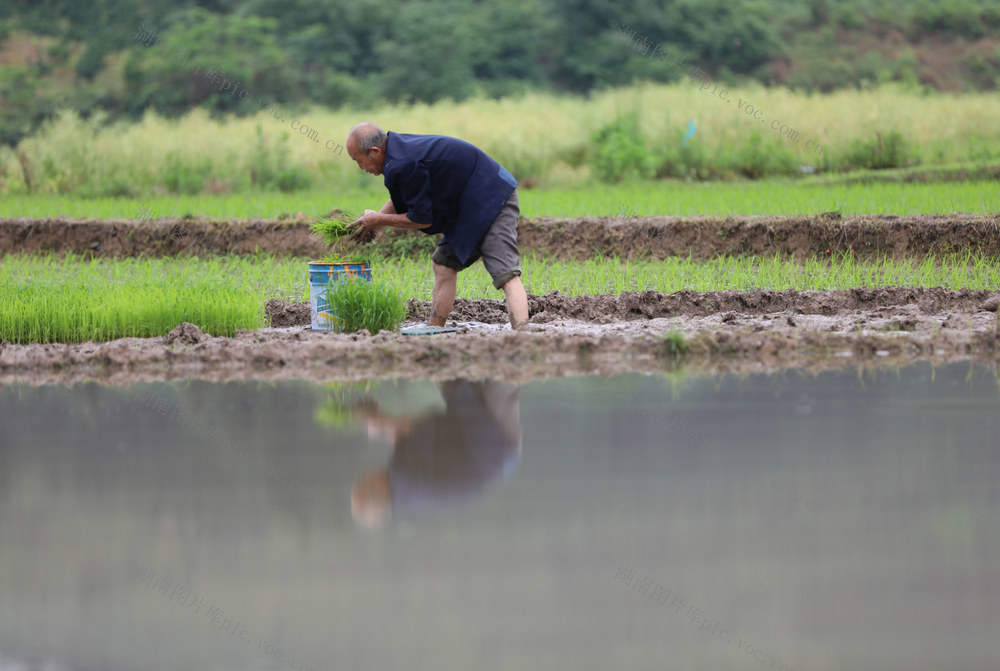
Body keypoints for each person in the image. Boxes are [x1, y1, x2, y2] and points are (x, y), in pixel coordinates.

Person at [343, 122, 530, 330]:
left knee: (506, 274)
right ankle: (434, 330)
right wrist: (375, 221)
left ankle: (522, 339)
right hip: (468, 205)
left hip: (493, 195)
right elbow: (404, 199)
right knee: (443, 265)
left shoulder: (402, 162)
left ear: (375, 151)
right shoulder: (396, 153)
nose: (361, 168)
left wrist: (378, 220)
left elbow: (422, 218)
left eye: (358, 161)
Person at [350, 380, 522, 529]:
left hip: (486, 448)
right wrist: (381, 421)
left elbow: (403, 440)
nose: (365, 475)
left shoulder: (402, 490)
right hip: (493, 447)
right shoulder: (404, 479)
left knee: (453, 376)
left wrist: (383, 424)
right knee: (500, 378)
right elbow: (422, 425)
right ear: (376, 491)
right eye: (363, 482)